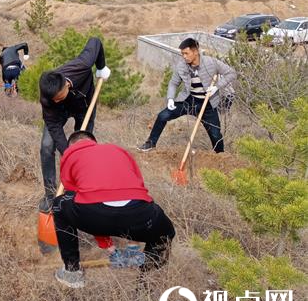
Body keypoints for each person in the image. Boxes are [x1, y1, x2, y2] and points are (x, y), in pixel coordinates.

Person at [53, 130, 176, 288]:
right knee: (166, 232)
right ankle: (148, 280)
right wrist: (132, 241)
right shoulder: (119, 150)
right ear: (94, 142)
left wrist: (106, 243)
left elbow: (82, 198)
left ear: (71, 146)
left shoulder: (70, 154)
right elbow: (136, 189)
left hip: (93, 214)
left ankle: (72, 272)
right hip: (140, 215)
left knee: (59, 204)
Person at [38, 37, 111, 212]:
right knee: (47, 146)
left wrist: (101, 67)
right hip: (59, 115)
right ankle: (50, 195)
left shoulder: (81, 66)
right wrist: (68, 153)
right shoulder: (48, 101)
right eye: (53, 99)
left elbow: (95, 41)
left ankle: (79, 192)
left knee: (84, 149)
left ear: (65, 84)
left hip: (84, 108)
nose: (56, 100)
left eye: (59, 96)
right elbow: (55, 129)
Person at [137, 37, 236, 153]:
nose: (184, 56)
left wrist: (216, 87)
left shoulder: (211, 62)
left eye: (186, 53)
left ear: (195, 52)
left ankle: (220, 157)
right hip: (189, 100)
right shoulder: (181, 66)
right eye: (182, 54)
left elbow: (231, 73)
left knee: (215, 135)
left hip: (207, 104)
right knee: (162, 116)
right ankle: (151, 143)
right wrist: (170, 99)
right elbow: (173, 83)